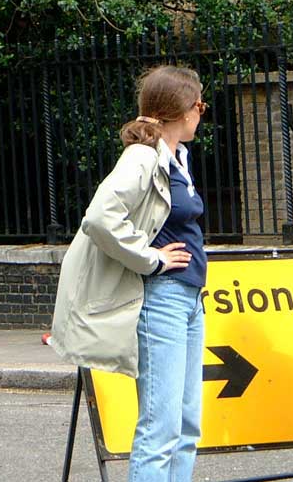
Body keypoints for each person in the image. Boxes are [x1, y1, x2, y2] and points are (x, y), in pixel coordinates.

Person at [51, 64, 209, 482]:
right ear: (181, 109)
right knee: (161, 428)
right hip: (163, 298)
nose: (202, 112)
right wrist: (150, 257)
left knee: (186, 426)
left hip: (190, 298)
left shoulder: (178, 156)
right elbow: (101, 217)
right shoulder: (142, 157)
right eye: (199, 104)